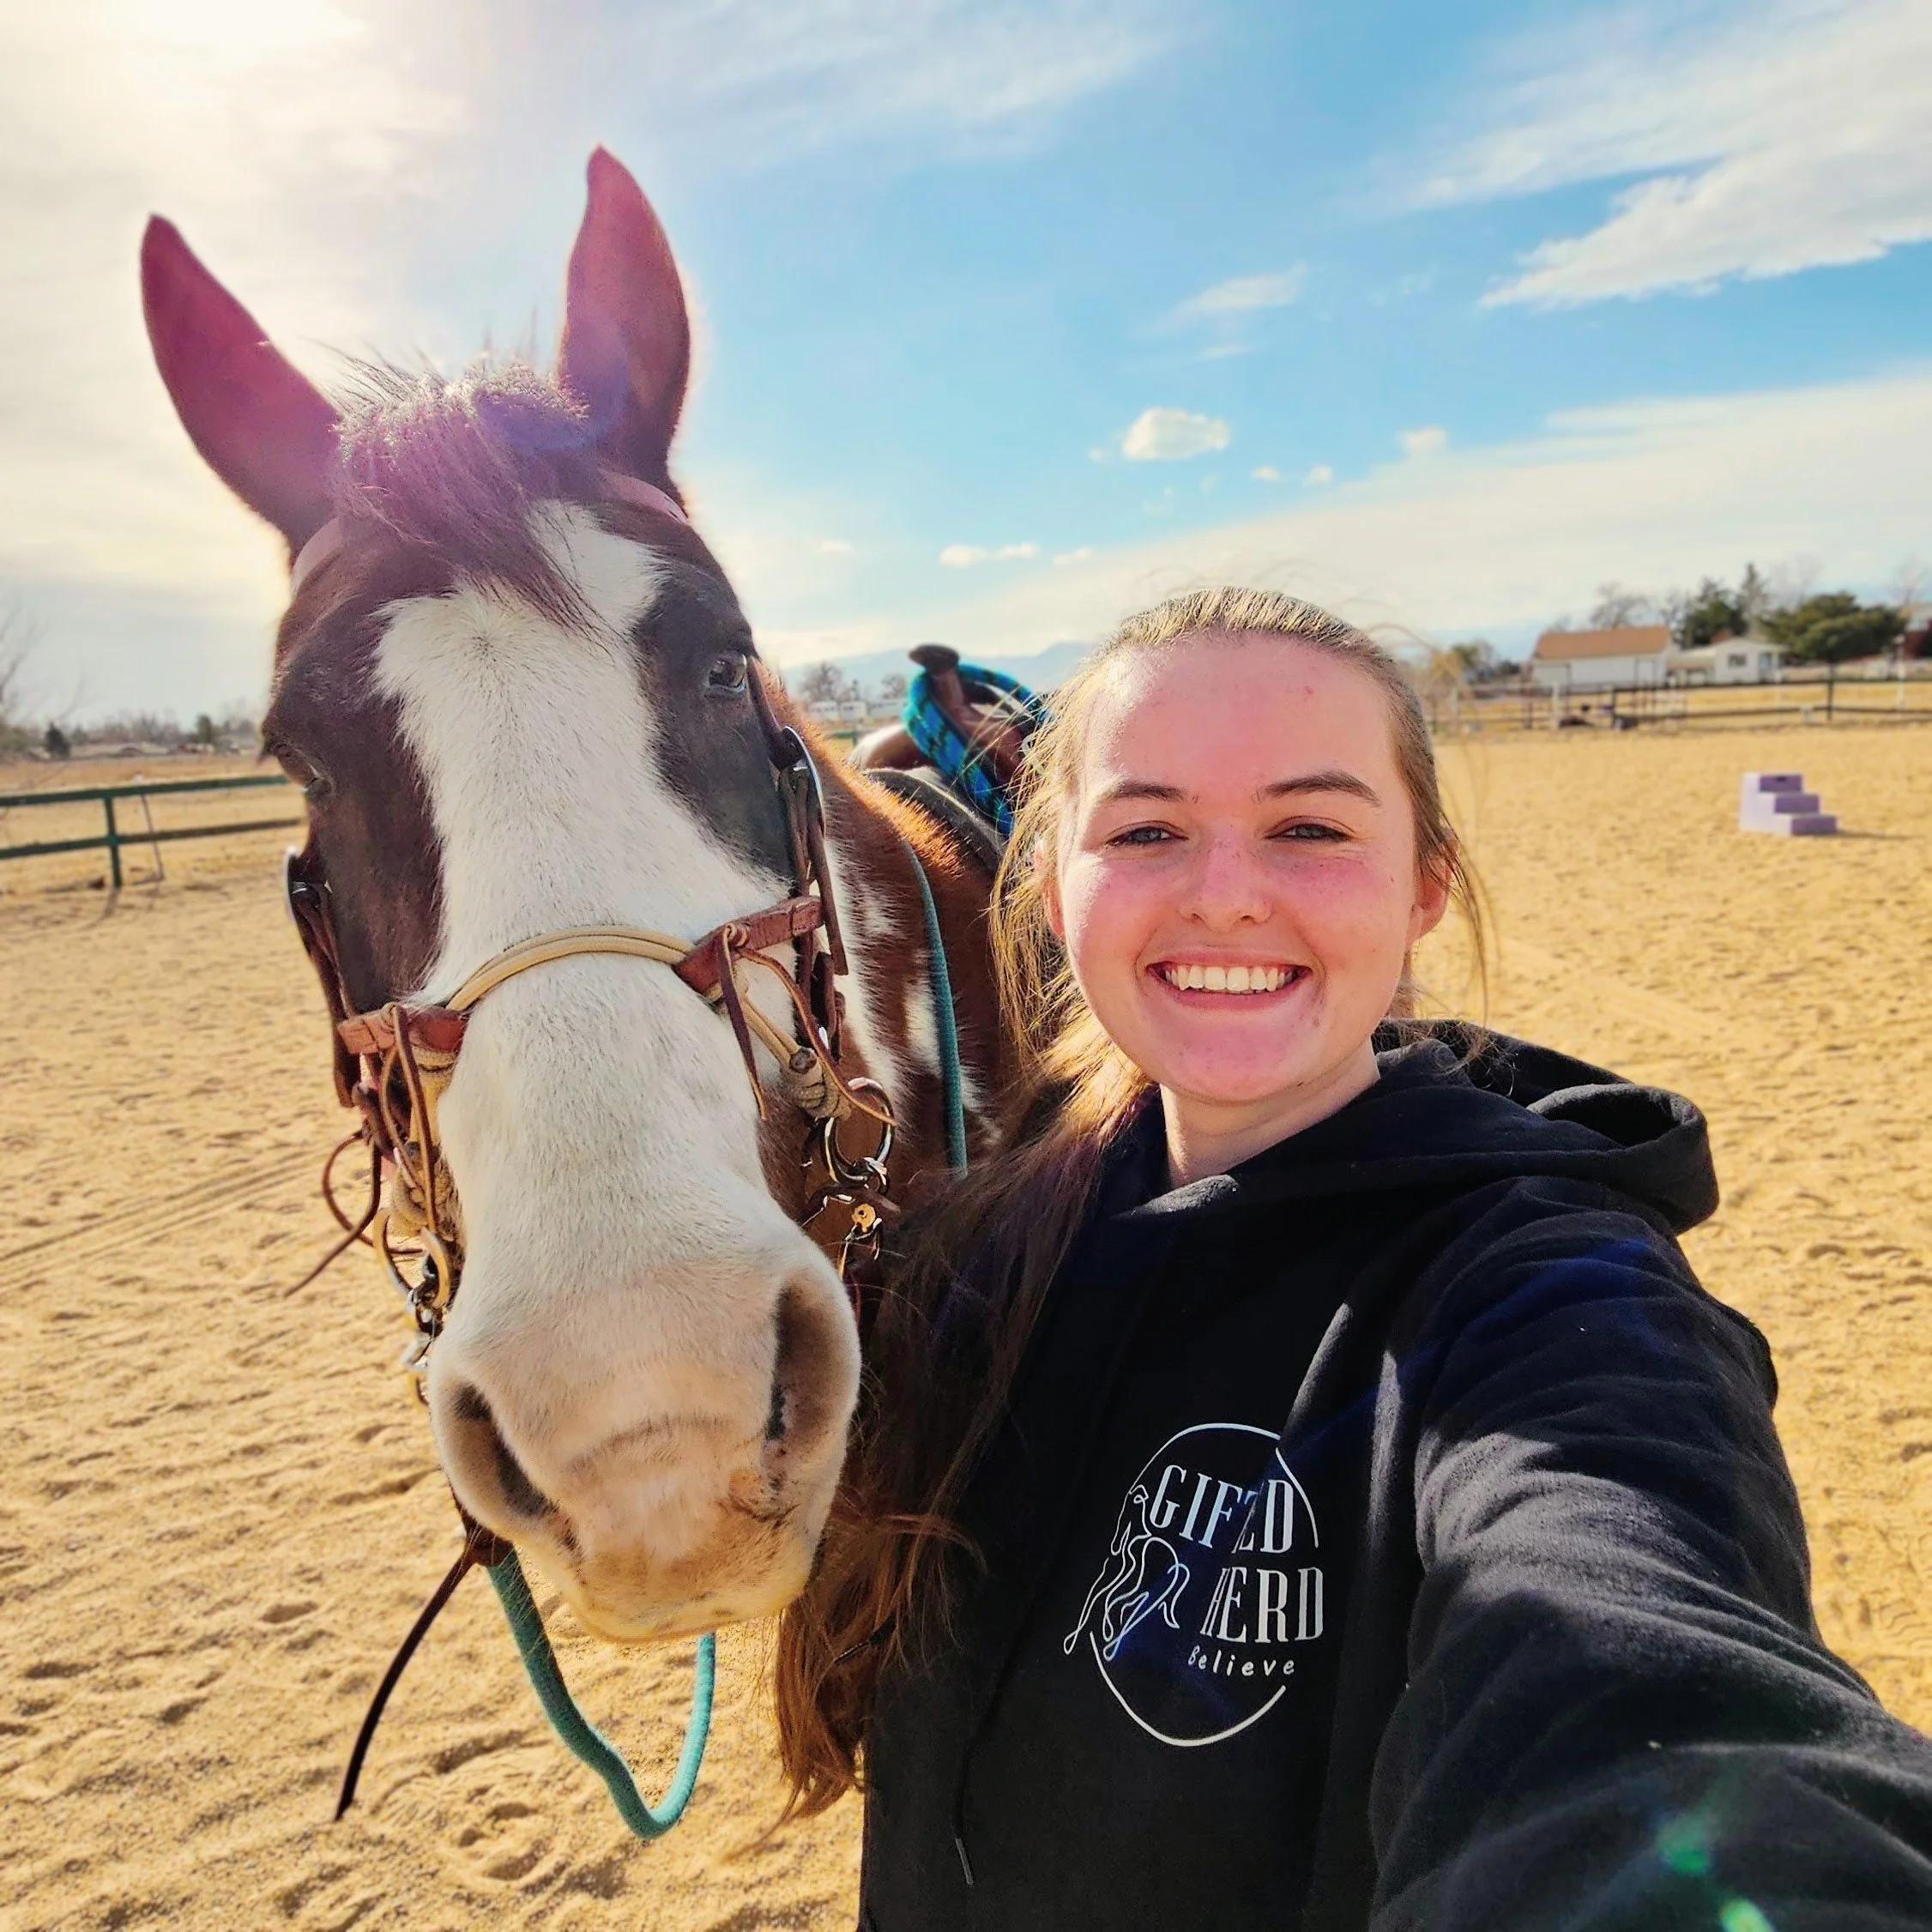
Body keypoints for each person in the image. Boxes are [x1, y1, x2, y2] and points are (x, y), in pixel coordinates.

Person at [775, 588, 1932, 1930]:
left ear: (1427, 880)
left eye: (1309, 828)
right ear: (1050, 887)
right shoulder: (973, 1249)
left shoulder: (1542, 1299)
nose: (1225, 896)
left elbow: (1638, 1667)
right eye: (1147, 829)